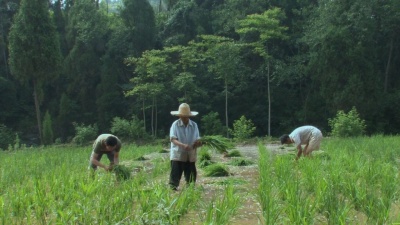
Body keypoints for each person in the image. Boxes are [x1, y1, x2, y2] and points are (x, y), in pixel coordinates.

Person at [169, 103, 202, 191]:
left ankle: (190, 191)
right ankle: (173, 192)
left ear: (189, 116)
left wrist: (198, 143)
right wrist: (182, 145)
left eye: (186, 116)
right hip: (178, 154)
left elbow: (197, 138)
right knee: (174, 178)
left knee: (191, 179)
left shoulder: (194, 125)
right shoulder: (175, 125)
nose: (183, 118)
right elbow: (172, 139)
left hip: (190, 155)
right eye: (182, 116)